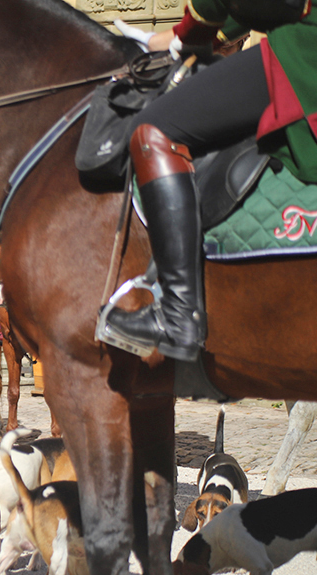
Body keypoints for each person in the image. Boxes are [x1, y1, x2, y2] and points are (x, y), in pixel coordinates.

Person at [105, 2, 317, 362]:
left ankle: (176, 317)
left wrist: (184, 34)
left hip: (304, 53)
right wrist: (215, 34)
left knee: (154, 129)